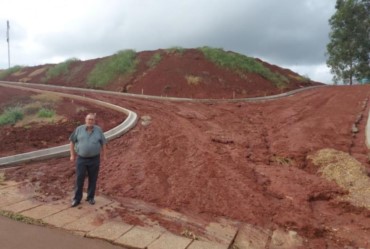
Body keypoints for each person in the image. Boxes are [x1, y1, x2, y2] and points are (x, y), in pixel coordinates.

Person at [69, 113, 107, 207]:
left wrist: (105, 155)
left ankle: (90, 197)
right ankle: (77, 199)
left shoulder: (98, 130)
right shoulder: (79, 129)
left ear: (94, 121)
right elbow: (72, 141)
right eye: (88, 119)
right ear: (85, 120)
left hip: (95, 159)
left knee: (93, 178)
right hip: (81, 158)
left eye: (92, 120)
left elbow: (103, 143)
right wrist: (72, 155)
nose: (90, 121)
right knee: (79, 178)